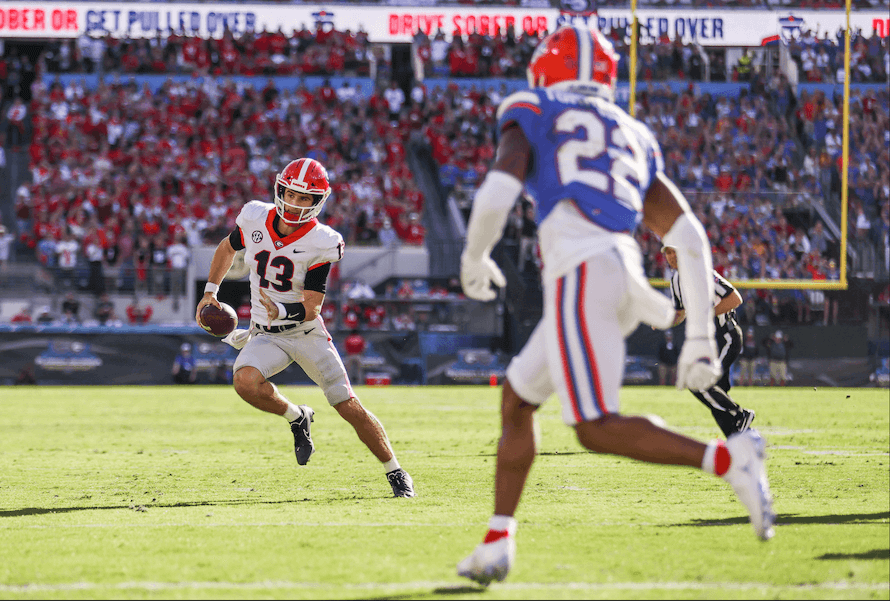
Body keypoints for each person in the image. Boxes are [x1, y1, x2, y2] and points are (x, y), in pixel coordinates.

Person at [455, 23, 774, 585]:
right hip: (614, 272)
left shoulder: (533, 105)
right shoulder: (633, 133)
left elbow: (500, 190)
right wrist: (699, 337)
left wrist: (474, 257)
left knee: (594, 427)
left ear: (545, 70)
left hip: (584, 274)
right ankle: (497, 541)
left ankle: (731, 459)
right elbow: (690, 239)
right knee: (517, 401)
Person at [195, 158, 415, 498]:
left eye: (305, 199)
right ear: (279, 190)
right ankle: (297, 416)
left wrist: (280, 307)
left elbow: (312, 307)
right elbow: (228, 247)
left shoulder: (321, 241)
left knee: (347, 405)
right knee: (244, 382)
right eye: (291, 195)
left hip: (305, 332)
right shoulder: (255, 217)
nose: (295, 204)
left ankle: (395, 471)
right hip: (266, 333)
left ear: (318, 202)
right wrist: (210, 291)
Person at [663, 245, 756, 437]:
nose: (672, 256)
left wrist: (706, 315)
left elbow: (735, 298)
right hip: (708, 342)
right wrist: (664, 320)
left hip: (726, 336)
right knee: (716, 395)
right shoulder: (676, 279)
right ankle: (737, 439)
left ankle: (741, 414)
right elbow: (681, 313)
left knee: (701, 383)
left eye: (675, 251)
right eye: (668, 252)